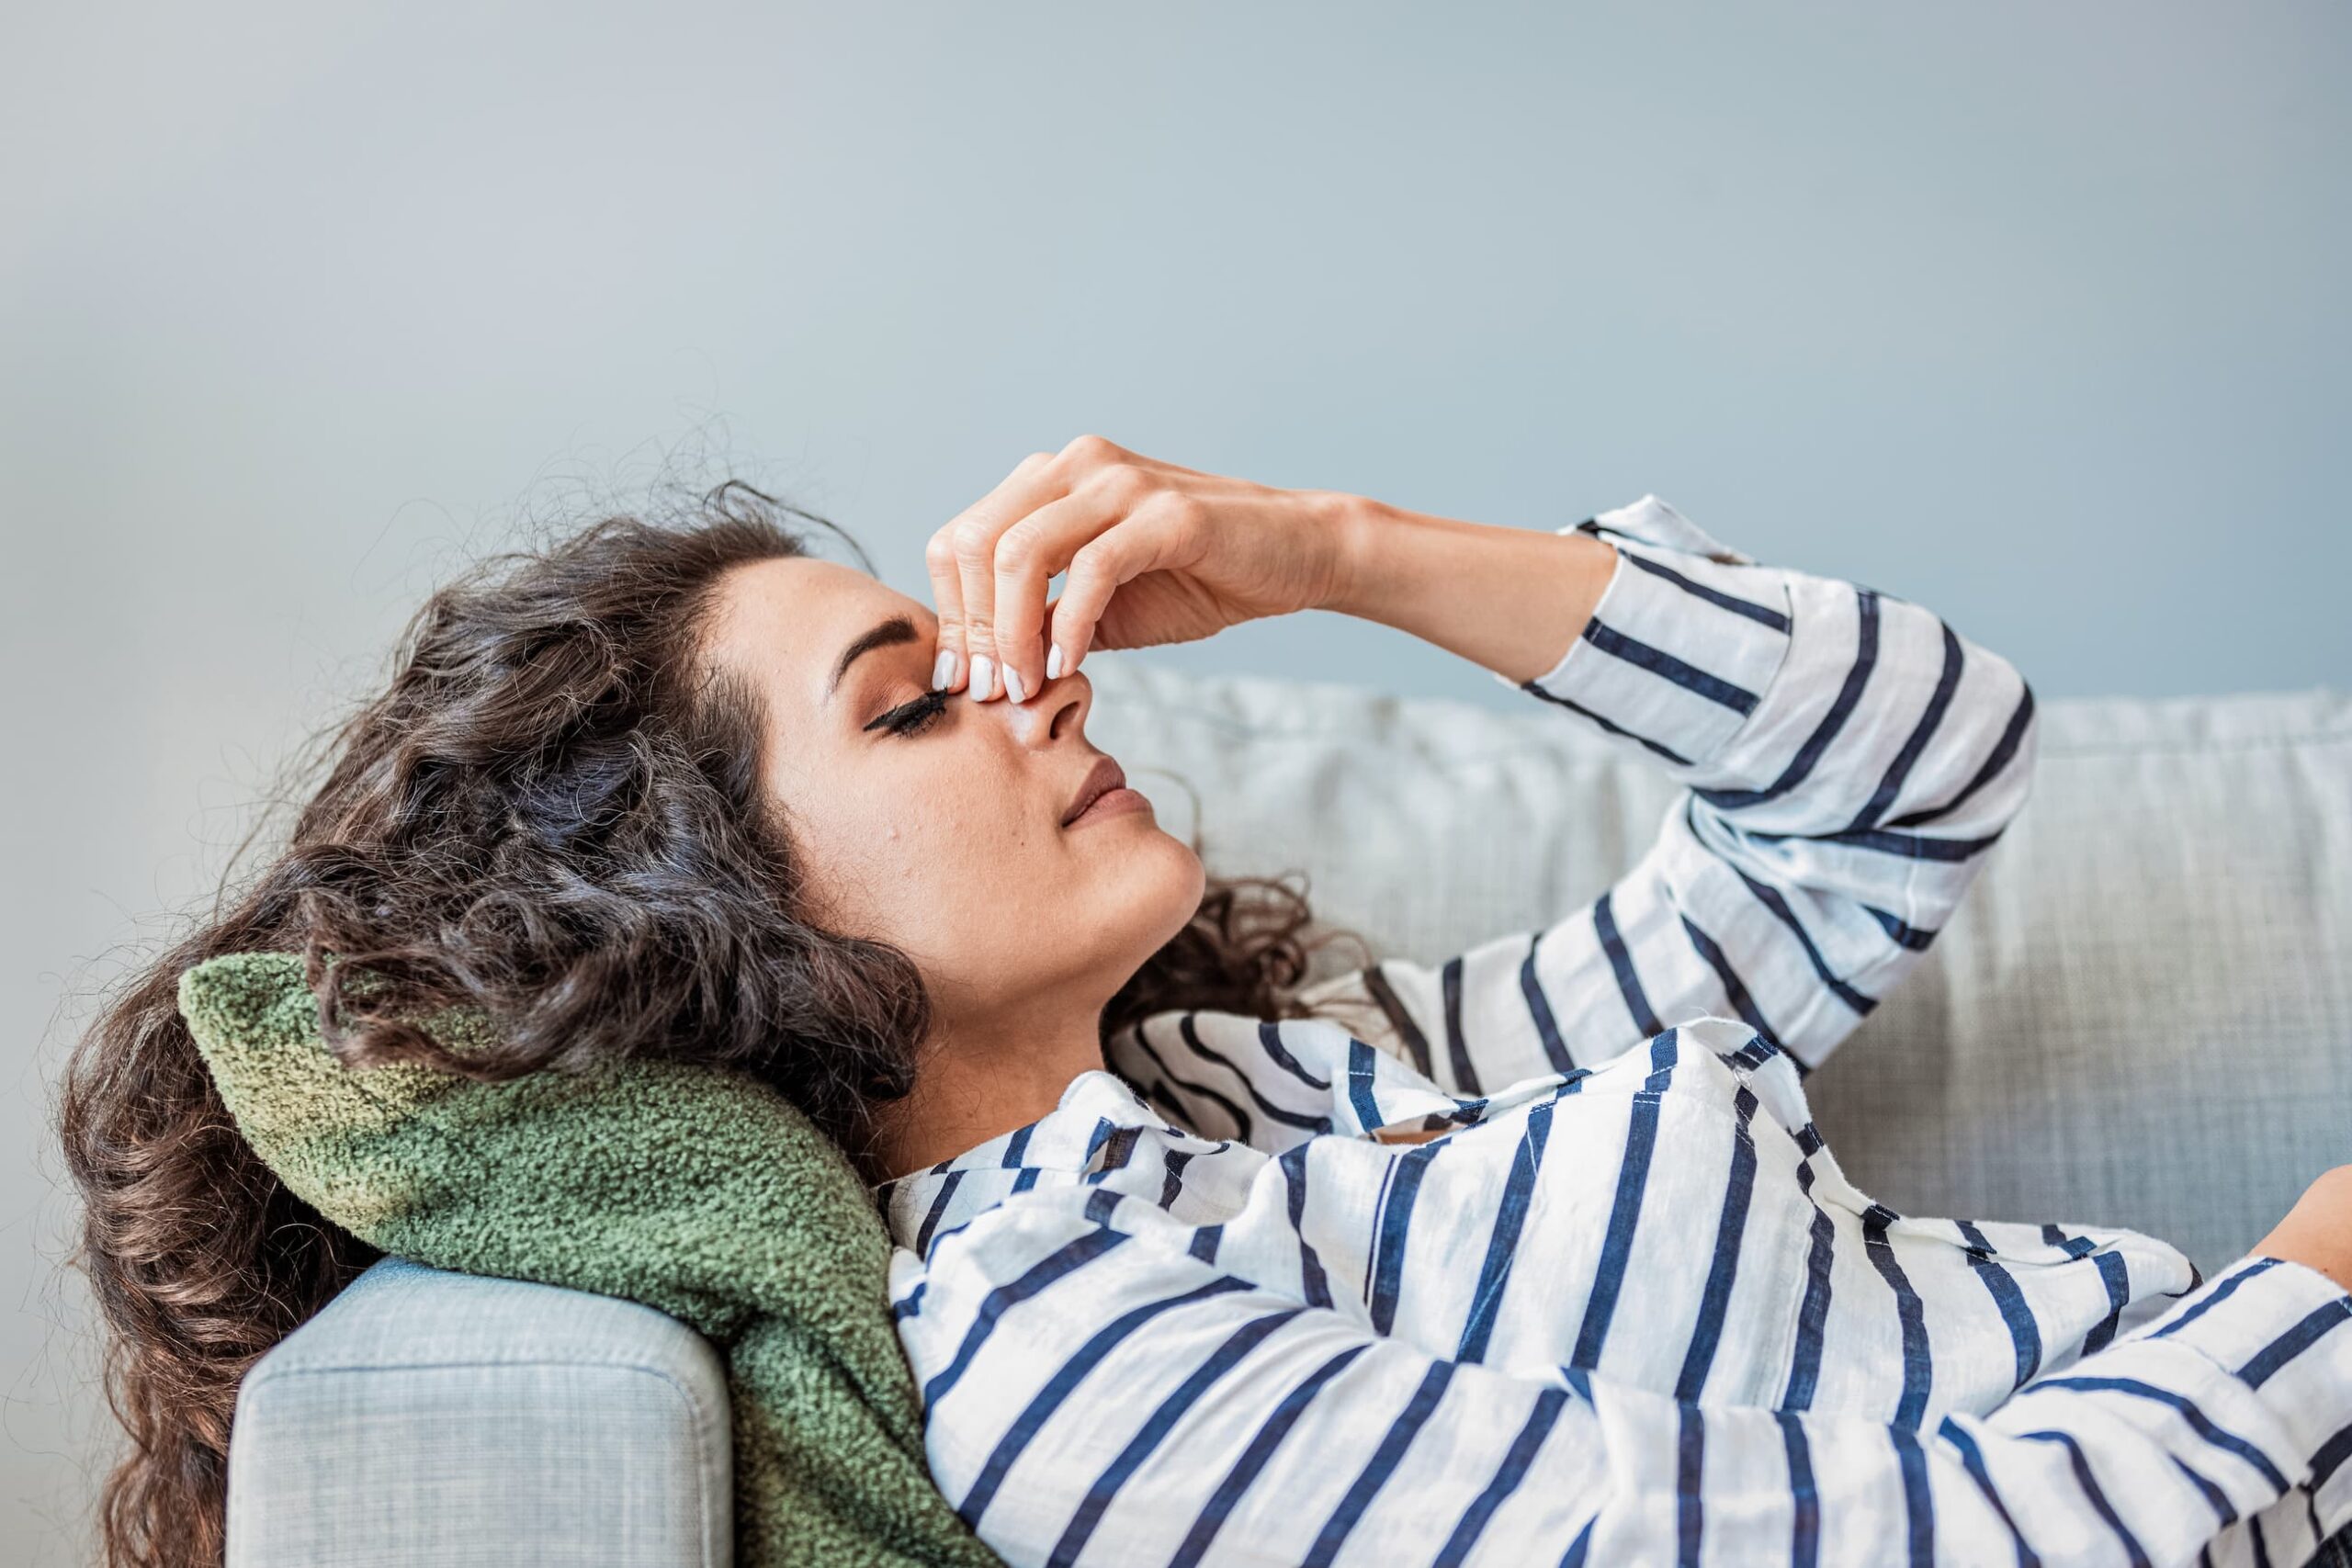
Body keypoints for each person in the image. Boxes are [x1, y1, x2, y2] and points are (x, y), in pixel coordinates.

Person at [59, 436, 2350, 1568]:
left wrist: (1338, 552)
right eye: (911, 703)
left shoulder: (1266, 1088)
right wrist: (2311, 1287)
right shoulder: (1075, 1361)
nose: (1032, 683)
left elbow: (1904, 779)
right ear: (717, 913)